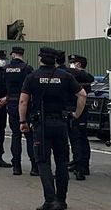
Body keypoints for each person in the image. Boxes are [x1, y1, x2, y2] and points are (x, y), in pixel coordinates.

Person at [19, 47, 87, 210]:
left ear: (40, 59)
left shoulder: (32, 76)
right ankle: (61, 200)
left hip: (41, 125)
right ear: (55, 60)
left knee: (43, 162)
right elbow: (82, 94)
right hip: (61, 124)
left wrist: (23, 121)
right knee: (62, 162)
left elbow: (23, 101)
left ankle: (50, 200)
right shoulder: (65, 76)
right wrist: (76, 114)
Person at [5, 45, 36, 175]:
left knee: (16, 135)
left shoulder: (5, 69)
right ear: (22, 55)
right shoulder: (27, 69)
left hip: (11, 103)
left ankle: (16, 166)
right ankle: (34, 166)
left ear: (13, 54)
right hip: (26, 104)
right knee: (30, 136)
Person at [67, 55, 95, 180]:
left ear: (78, 64)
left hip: (78, 110)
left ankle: (81, 165)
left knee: (78, 138)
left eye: (73, 63)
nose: (71, 65)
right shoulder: (80, 75)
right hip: (79, 109)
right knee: (79, 138)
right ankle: (80, 163)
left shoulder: (82, 75)